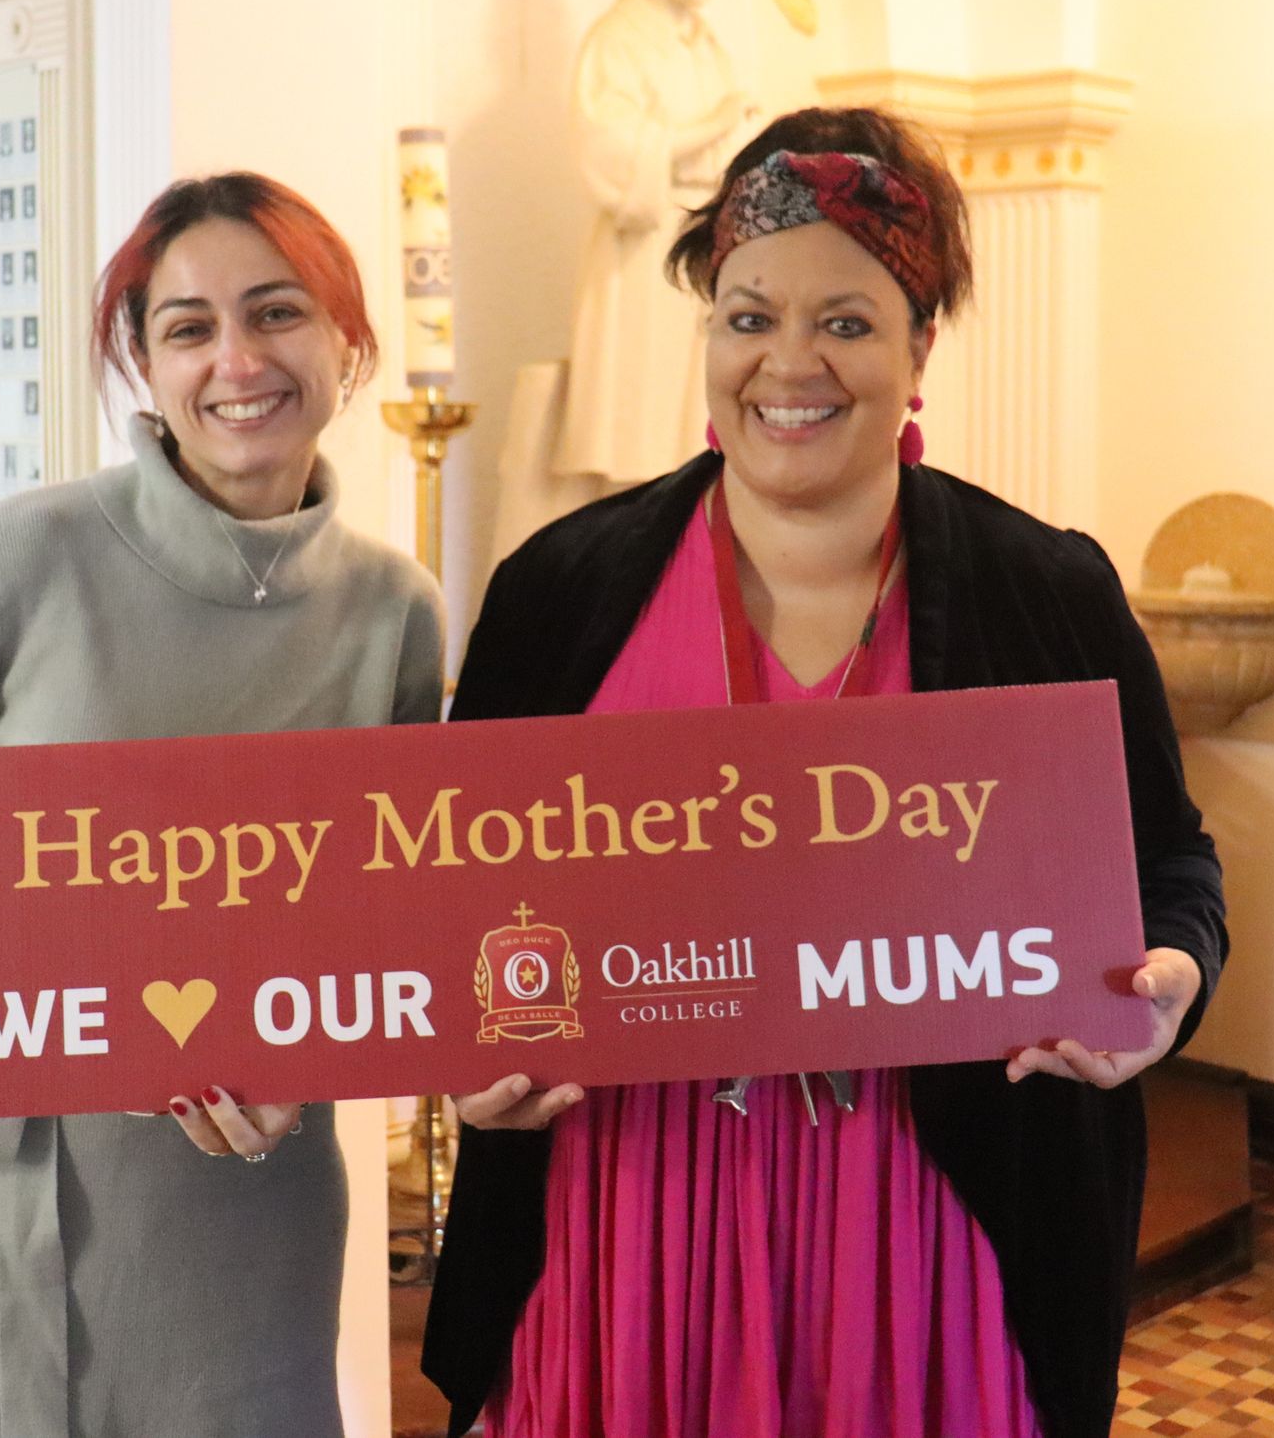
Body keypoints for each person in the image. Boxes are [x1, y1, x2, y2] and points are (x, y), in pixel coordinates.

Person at [424, 109, 1227, 1438]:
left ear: (920, 346)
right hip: (623, 1224)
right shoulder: (558, 593)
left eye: (845, 322)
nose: (787, 362)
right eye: (748, 316)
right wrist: (461, 1046)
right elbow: (457, 901)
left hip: (929, 1243)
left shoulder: (1047, 592)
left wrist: (1168, 984)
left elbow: (1172, 862)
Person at [0, 172, 445, 1438]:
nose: (237, 361)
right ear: (144, 364)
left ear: (347, 342)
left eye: (277, 312)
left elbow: (383, 907)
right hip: (3, 1205)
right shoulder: (24, 556)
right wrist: (49, 975)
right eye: (189, 327)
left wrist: (314, 1063)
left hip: (244, 1212)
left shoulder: (394, 611)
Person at [553, 0, 754, 488]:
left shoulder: (708, 46)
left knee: (700, 427)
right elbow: (610, 152)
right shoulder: (618, 40)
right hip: (646, 248)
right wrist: (714, 123)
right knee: (644, 431)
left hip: (712, 243)